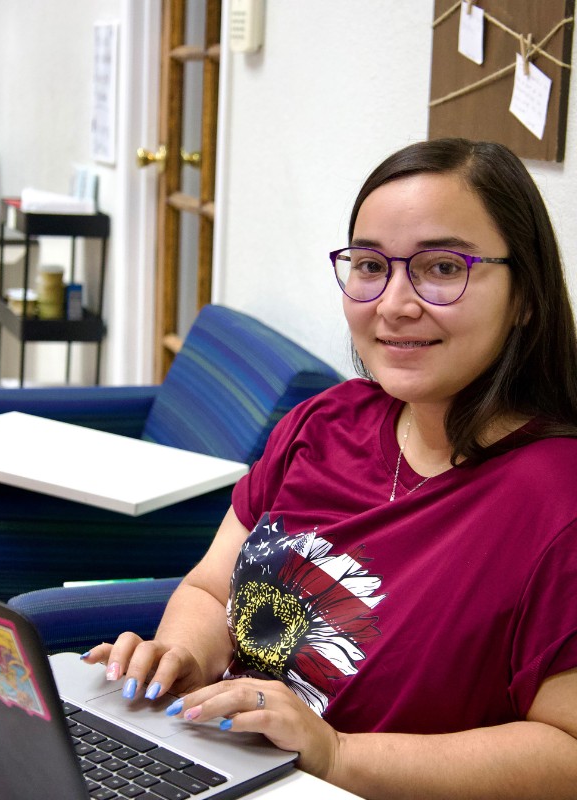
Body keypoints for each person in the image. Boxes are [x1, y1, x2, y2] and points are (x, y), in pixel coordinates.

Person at [83, 138, 577, 798]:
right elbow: (208, 591)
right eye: (371, 265)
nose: (394, 304)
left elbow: (566, 753)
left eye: (441, 267)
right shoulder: (326, 422)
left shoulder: (556, 501)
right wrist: (182, 657)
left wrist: (335, 753)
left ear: (526, 297)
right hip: (221, 767)